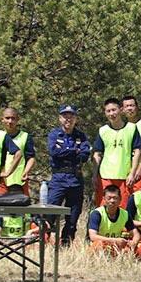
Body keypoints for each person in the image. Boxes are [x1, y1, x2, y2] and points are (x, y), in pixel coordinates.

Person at [46, 104, 91, 246]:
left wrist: (67, 151)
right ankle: (43, 243)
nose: (68, 119)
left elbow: (84, 155)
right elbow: (54, 152)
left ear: (75, 119)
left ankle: (66, 245)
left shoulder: (81, 136)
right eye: (65, 116)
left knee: (72, 217)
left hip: (75, 180)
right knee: (50, 213)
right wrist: (74, 151)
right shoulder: (54, 134)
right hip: (58, 179)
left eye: (71, 116)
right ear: (60, 118)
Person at [92, 98, 141, 206]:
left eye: (114, 110)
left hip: (124, 177)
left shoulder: (131, 128)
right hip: (106, 177)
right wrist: (95, 175)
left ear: (121, 110)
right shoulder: (103, 130)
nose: (111, 113)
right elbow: (97, 154)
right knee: (103, 210)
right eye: (108, 111)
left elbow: (137, 151)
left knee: (122, 211)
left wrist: (132, 173)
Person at [87, 185, 139, 255]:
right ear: (104, 199)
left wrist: (133, 243)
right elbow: (93, 236)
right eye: (109, 198)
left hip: (116, 247)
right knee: (99, 245)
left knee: (138, 249)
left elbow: (136, 234)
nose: (112, 201)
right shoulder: (97, 214)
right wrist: (114, 240)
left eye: (115, 198)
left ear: (120, 199)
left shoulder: (125, 214)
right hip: (101, 245)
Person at [1, 108, 36, 196]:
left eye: (13, 118)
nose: (10, 121)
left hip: (19, 181)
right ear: (2, 119)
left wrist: (26, 171)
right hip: (0, 181)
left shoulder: (25, 136)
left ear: (18, 120)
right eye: (7, 118)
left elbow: (31, 158)